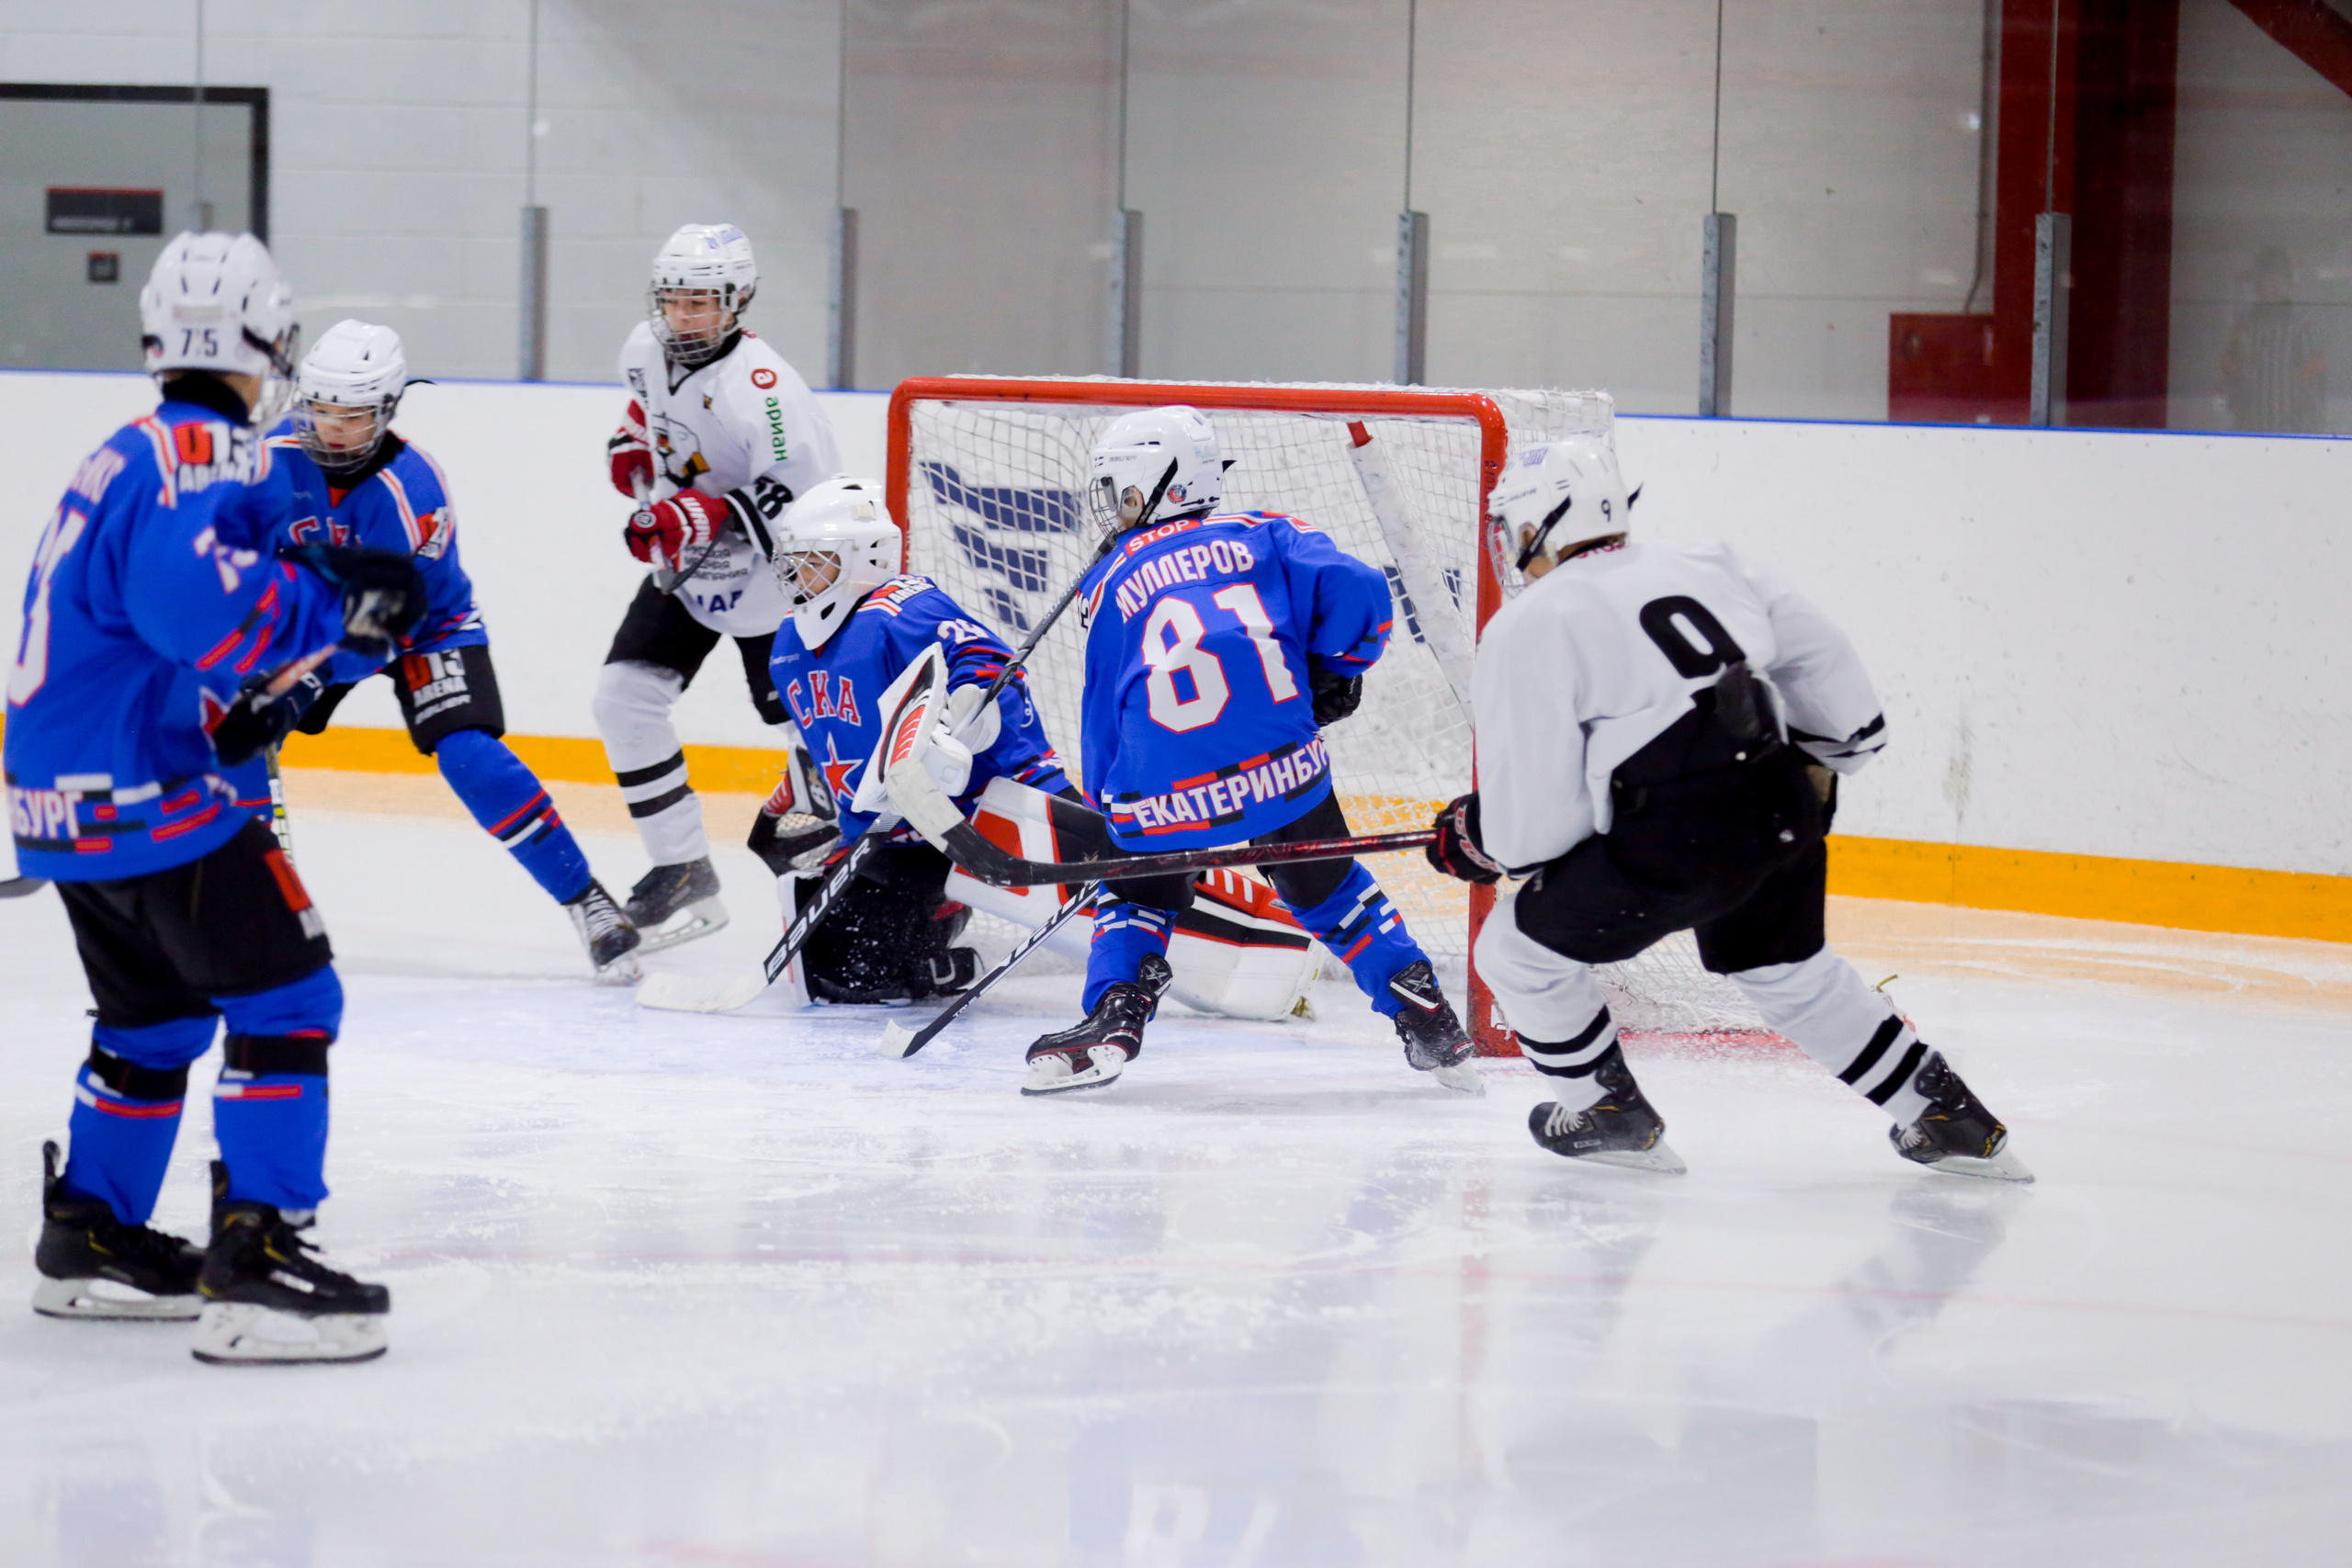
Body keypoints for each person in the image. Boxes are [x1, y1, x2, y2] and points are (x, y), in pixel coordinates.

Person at [10, 232, 421, 1361]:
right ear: (266, 341)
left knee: (155, 1021)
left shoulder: (127, 450)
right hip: (147, 792)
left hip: (64, 794)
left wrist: (298, 615)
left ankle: (90, 1238)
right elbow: (194, 610)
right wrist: (331, 613)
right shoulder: (203, 452)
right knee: (292, 1002)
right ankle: (258, 1261)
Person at [1422, 436, 2030, 1180]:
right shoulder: (1710, 560)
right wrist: (1828, 757)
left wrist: (1481, 837)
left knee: (1515, 952)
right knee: (1788, 968)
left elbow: (1535, 831)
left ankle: (1605, 1111)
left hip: (1675, 833)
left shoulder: (1528, 624)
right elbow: (1834, 681)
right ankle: (1947, 1114)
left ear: (1529, 527)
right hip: (1779, 793)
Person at [1021, 406, 1483, 1098]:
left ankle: (1117, 1011)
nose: (1113, 509)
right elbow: (1360, 588)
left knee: (1135, 895)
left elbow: (1107, 702)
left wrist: (1109, 811)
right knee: (1336, 895)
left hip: (1166, 794)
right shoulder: (1268, 535)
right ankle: (1426, 1012)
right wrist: (1338, 668)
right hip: (1283, 774)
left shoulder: (1112, 578)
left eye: (1120, 491)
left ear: (1160, 484)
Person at [749, 477, 1328, 1018]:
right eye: (794, 564)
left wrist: (966, 715)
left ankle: (1280, 932)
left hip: (991, 804)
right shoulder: (785, 647)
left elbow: (989, 666)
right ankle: (942, 942)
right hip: (902, 835)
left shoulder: (901, 609)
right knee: (843, 971)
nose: (798, 577)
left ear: (863, 559)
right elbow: (833, 745)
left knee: (1131, 881)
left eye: (814, 562)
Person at [267, 320, 641, 978]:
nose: (330, 428)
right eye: (319, 409)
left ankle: (588, 901)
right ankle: (228, 908)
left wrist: (301, 679)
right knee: (223, 733)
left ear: (387, 410)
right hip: (305, 618)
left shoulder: (413, 491)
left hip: (422, 627)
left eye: (350, 416)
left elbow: (379, 630)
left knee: (470, 754)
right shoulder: (264, 459)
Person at [596, 222, 841, 950]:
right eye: (674, 300)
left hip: (776, 583)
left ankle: (858, 870)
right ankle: (680, 869)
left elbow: (812, 503)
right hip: (692, 575)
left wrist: (703, 511)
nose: (684, 317)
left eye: (701, 302)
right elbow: (648, 411)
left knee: (814, 729)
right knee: (624, 698)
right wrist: (631, 449)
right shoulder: (644, 349)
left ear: (737, 301)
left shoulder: (766, 390)